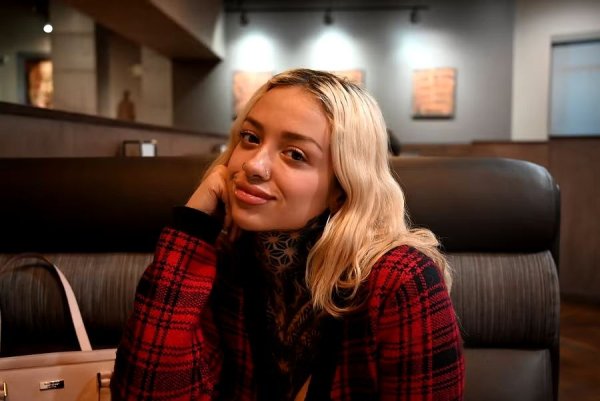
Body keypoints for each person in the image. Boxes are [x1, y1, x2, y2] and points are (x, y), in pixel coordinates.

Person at [111, 68, 464, 401]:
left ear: (342, 186)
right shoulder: (224, 258)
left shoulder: (401, 280)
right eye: (250, 138)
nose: (253, 165)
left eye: (295, 154)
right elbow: (144, 391)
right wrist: (193, 227)